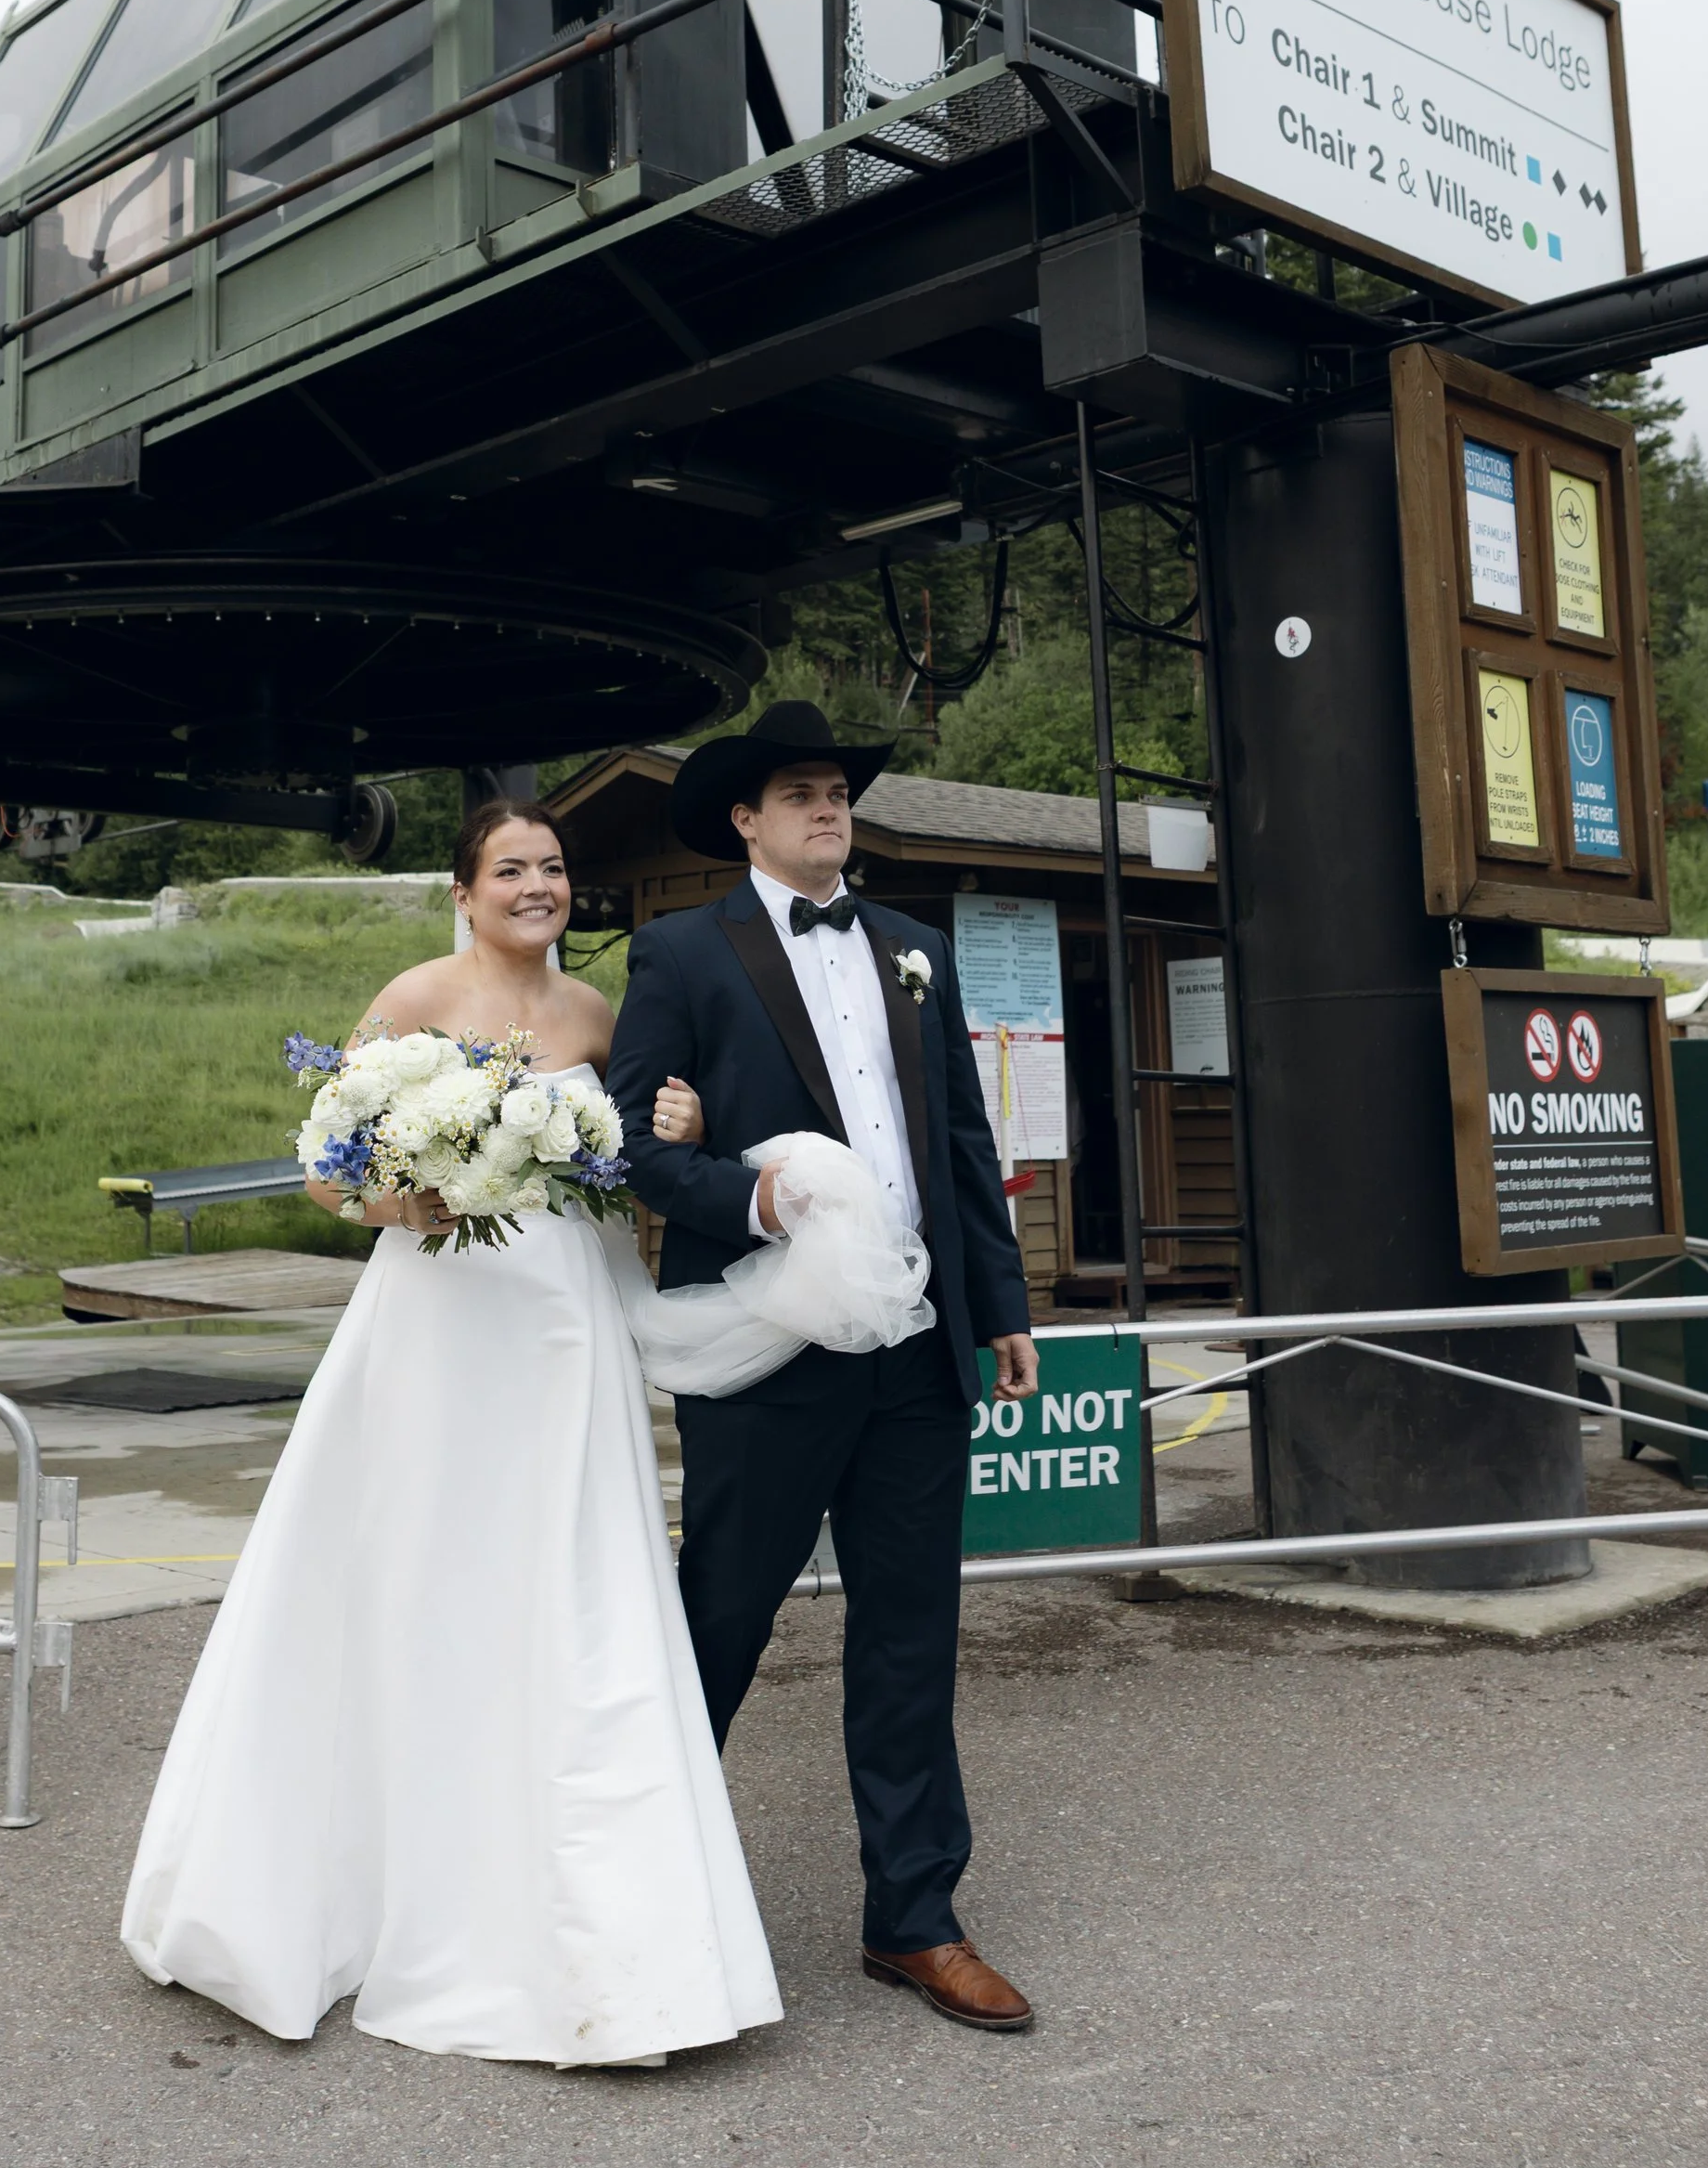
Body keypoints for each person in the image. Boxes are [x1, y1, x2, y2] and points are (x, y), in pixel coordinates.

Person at [121, 798, 781, 2071]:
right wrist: (400, 1202)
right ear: (466, 891)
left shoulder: (598, 1017)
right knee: (415, 1573)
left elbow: (633, 1154)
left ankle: (582, 1931)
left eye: (553, 867)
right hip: (440, 1322)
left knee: (566, 1585)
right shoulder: (418, 992)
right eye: (512, 868)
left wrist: (675, 1134)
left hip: (567, 1324)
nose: (539, 884)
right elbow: (326, 1161)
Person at [609, 702, 1041, 2034]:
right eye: (799, 792)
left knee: (911, 1632)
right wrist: (758, 1199)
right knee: (720, 1623)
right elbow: (631, 1143)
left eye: (837, 791)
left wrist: (1002, 1301)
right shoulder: (681, 951)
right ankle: (636, 1900)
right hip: (765, 1344)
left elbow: (962, 1139)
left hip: (914, 1346)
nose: (826, 807)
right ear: (745, 816)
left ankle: (916, 1917)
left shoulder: (916, 949)